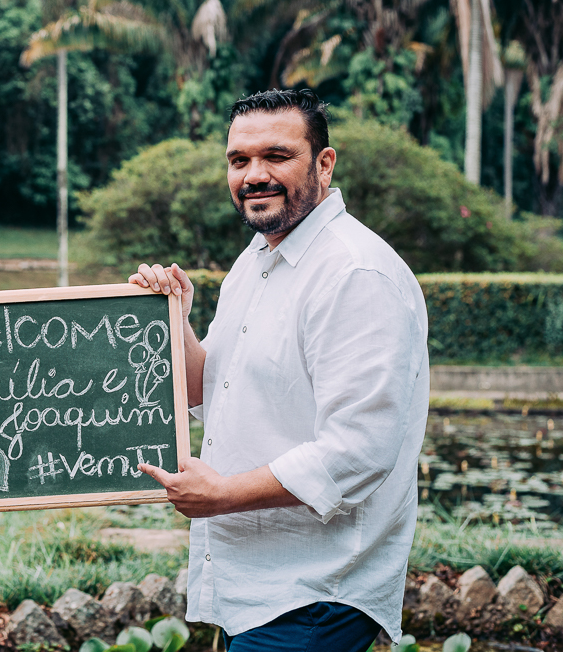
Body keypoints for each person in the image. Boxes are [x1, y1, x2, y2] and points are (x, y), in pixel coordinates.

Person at [130, 89, 428, 651]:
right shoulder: (259, 259)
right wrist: (170, 319)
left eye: (277, 156)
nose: (254, 175)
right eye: (239, 160)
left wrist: (220, 494)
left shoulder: (354, 273)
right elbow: (206, 387)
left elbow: (358, 452)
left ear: (324, 162)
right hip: (258, 586)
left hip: (316, 592)